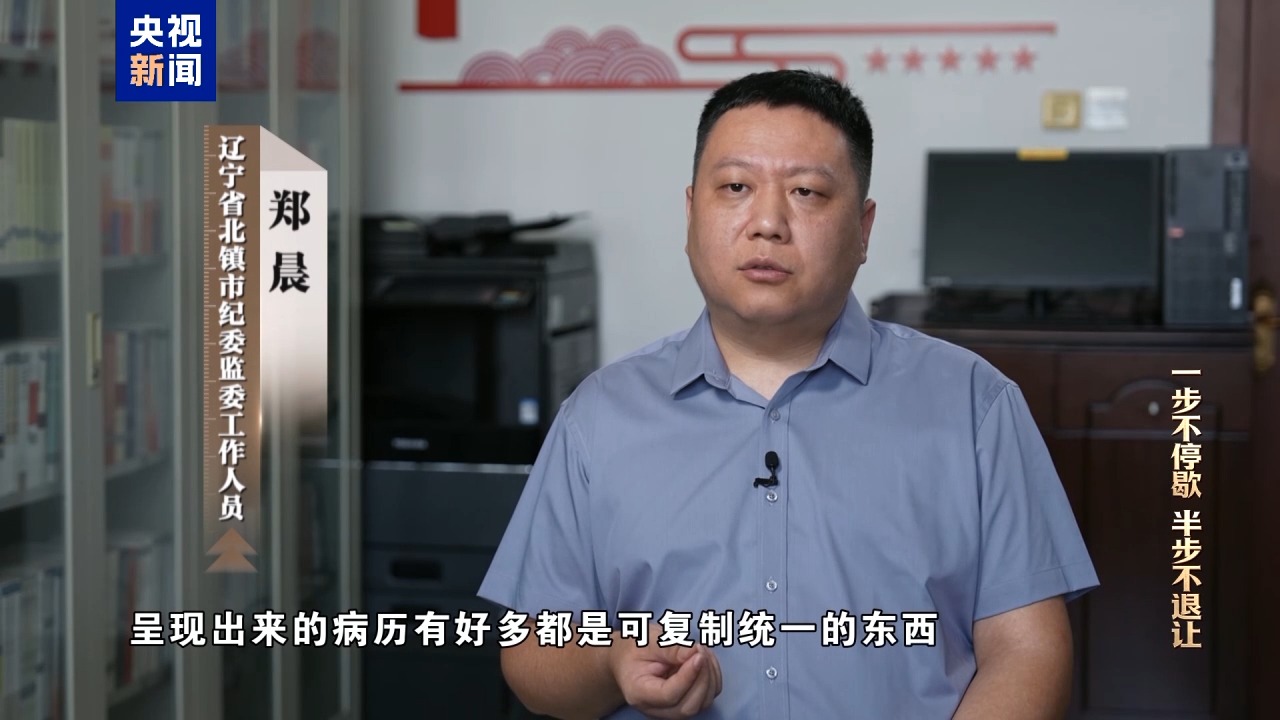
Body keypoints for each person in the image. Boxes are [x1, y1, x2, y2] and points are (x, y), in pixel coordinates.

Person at [477, 69, 1099, 719]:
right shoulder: (600, 416)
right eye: (736, 187)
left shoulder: (973, 404)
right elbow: (532, 655)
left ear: (863, 228)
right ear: (691, 213)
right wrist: (609, 664)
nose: (768, 223)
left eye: (806, 192)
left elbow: (1026, 651)